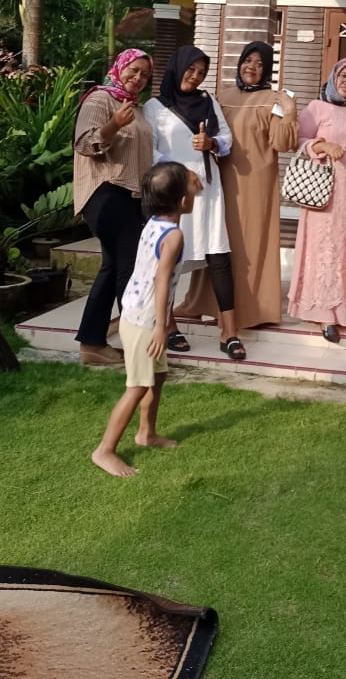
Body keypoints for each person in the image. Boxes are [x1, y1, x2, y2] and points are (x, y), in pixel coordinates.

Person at [91, 161, 195, 477]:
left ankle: (146, 434)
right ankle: (104, 450)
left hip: (137, 313)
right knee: (137, 386)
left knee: (157, 376)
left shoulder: (153, 223)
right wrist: (162, 328)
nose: (195, 191)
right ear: (182, 201)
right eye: (190, 187)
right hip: (145, 322)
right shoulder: (173, 236)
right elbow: (161, 281)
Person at [143, 45, 245, 361]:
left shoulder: (208, 101)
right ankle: (168, 325)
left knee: (219, 255)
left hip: (208, 190)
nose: (195, 76)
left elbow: (226, 140)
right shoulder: (155, 107)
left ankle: (229, 332)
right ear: (177, 67)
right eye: (191, 69)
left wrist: (212, 142)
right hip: (175, 192)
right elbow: (150, 150)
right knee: (171, 257)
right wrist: (179, 172)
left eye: (201, 72)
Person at [73, 48, 153, 366]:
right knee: (127, 270)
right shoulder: (100, 99)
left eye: (144, 74)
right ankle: (137, 350)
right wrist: (114, 125)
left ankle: (92, 344)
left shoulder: (136, 108)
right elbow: (84, 143)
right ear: (119, 67)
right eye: (133, 70)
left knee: (112, 268)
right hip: (106, 193)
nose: (138, 77)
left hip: (131, 197)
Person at [287, 58, 346, 343]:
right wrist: (322, 144)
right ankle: (325, 314)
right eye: (344, 76)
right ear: (334, 77)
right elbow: (298, 139)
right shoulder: (317, 107)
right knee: (324, 249)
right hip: (323, 189)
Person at [219, 41, 299, 328]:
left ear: (267, 70)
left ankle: (254, 309)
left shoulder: (275, 99)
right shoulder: (223, 96)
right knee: (220, 243)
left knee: (252, 245)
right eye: (247, 60)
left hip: (257, 184)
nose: (251, 67)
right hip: (223, 181)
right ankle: (214, 304)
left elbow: (282, 143)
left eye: (259, 63)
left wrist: (289, 111)